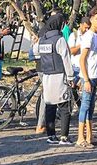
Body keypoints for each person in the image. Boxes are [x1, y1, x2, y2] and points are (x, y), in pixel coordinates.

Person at [32, 12, 71, 146]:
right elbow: (66, 60)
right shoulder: (59, 40)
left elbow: (35, 52)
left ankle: (51, 136)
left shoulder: (42, 39)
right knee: (65, 107)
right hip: (60, 76)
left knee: (50, 105)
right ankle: (64, 137)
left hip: (47, 76)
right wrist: (71, 77)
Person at [71, 7, 97, 148]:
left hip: (95, 75)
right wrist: (85, 80)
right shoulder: (88, 37)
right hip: (88, 76)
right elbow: (82, 59)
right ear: (91, 19)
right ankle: (80, 137)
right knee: (84, 106)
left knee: (91, 106)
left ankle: (90, 136)